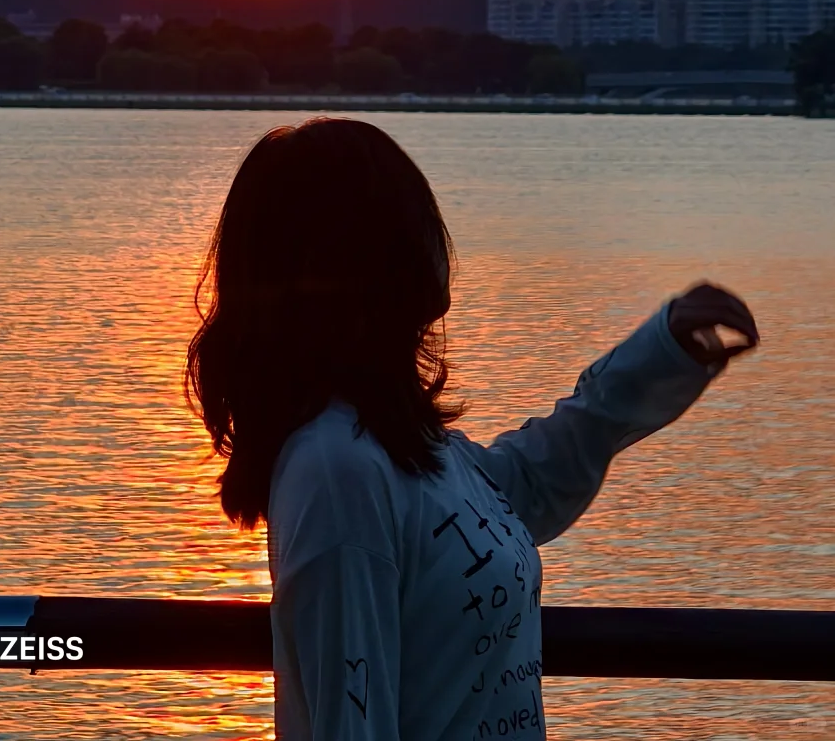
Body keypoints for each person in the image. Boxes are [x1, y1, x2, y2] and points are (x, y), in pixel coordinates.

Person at [183, 117, 760, 741]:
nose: (441, 239)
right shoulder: (337, 471)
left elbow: (519, 491)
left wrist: (654, 358)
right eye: (416, 216)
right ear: (366, 251)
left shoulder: (407, 448)